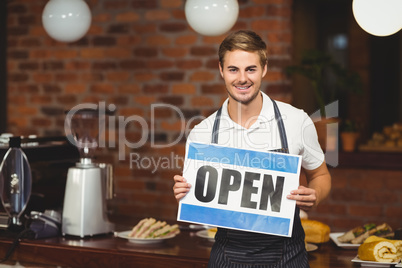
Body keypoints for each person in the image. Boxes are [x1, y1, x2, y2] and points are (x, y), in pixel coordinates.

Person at [173, 30, 331, 268]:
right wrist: (184, 192)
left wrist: (315, 195)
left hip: (287, 257)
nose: (242, 78)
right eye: (233, 69)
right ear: (221, 70)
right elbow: (198, 198)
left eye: (251, 69)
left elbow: (320, 175)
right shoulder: (202, 133)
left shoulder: (296, 120)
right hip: (227, 257)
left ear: (264, 69)